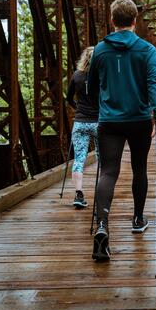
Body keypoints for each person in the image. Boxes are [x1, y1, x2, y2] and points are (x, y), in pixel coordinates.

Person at [87, 0, 156, 262]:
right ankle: (138, 218)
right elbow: (154, 83)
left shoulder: (100, 50)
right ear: (135, 21)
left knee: (108, 171)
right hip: (139, 119)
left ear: (113, 21)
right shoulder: (147, 50)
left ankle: (102, 226)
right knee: (139, 169)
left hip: (109, 120)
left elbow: (90, 86)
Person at [66, 46, 99, 209]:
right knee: (102, 158)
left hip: (80, 122)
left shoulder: (76, 76)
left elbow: (68, 98)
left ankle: (79, 194)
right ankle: (102, 193)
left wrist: (78, 108)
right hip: (99, 123)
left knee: (79, 159)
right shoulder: (101, 76)